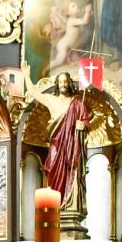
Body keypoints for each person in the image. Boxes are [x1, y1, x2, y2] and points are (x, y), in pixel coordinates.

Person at [42, 72, 92, 210]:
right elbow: (35, 94)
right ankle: (55, 204)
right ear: (57, 84)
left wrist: (83, 125)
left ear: (69, 83)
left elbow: (87, 120)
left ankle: (69, 202)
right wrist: (27, 77)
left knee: (71, 170)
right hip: (56, 144)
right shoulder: (52, 100)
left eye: (65, 81)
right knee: (52, 167)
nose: (63, 84)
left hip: (71, 145)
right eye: (60, 81)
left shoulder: (77, 103)